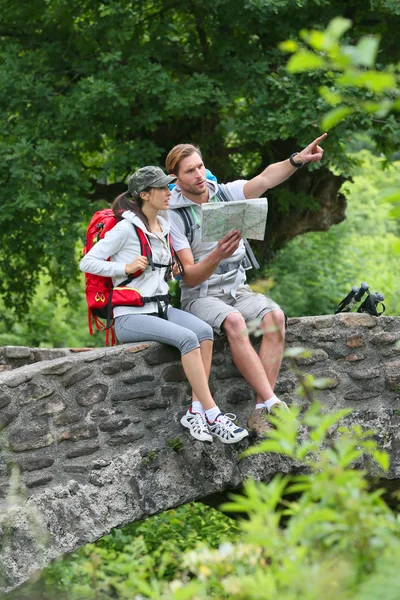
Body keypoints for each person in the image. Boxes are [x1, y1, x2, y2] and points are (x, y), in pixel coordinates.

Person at [165, 134, 327, 436]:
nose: (199, 175)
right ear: (175, 176)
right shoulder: (173, 215)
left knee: (275, 318)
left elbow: (265, 178)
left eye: (200, 167)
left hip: (237, 288)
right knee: (236, 322)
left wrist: (296, 160)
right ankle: (273, 401)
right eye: (190, 171)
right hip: (202, 295)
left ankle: (260, 412)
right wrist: (216, 255)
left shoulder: (225, 193)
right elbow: (189, 276)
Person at [80, 166, 248, 445]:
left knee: (204, 332)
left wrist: (171, 267)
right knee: (187, 338)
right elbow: (87, 262)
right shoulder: (126, 229)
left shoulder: (164, 222)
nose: (169, 192)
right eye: (162, 188)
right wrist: (125, 266)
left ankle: (195, 411)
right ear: (145, 195)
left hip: (160, 309)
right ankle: (213, 414)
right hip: (131, 316)